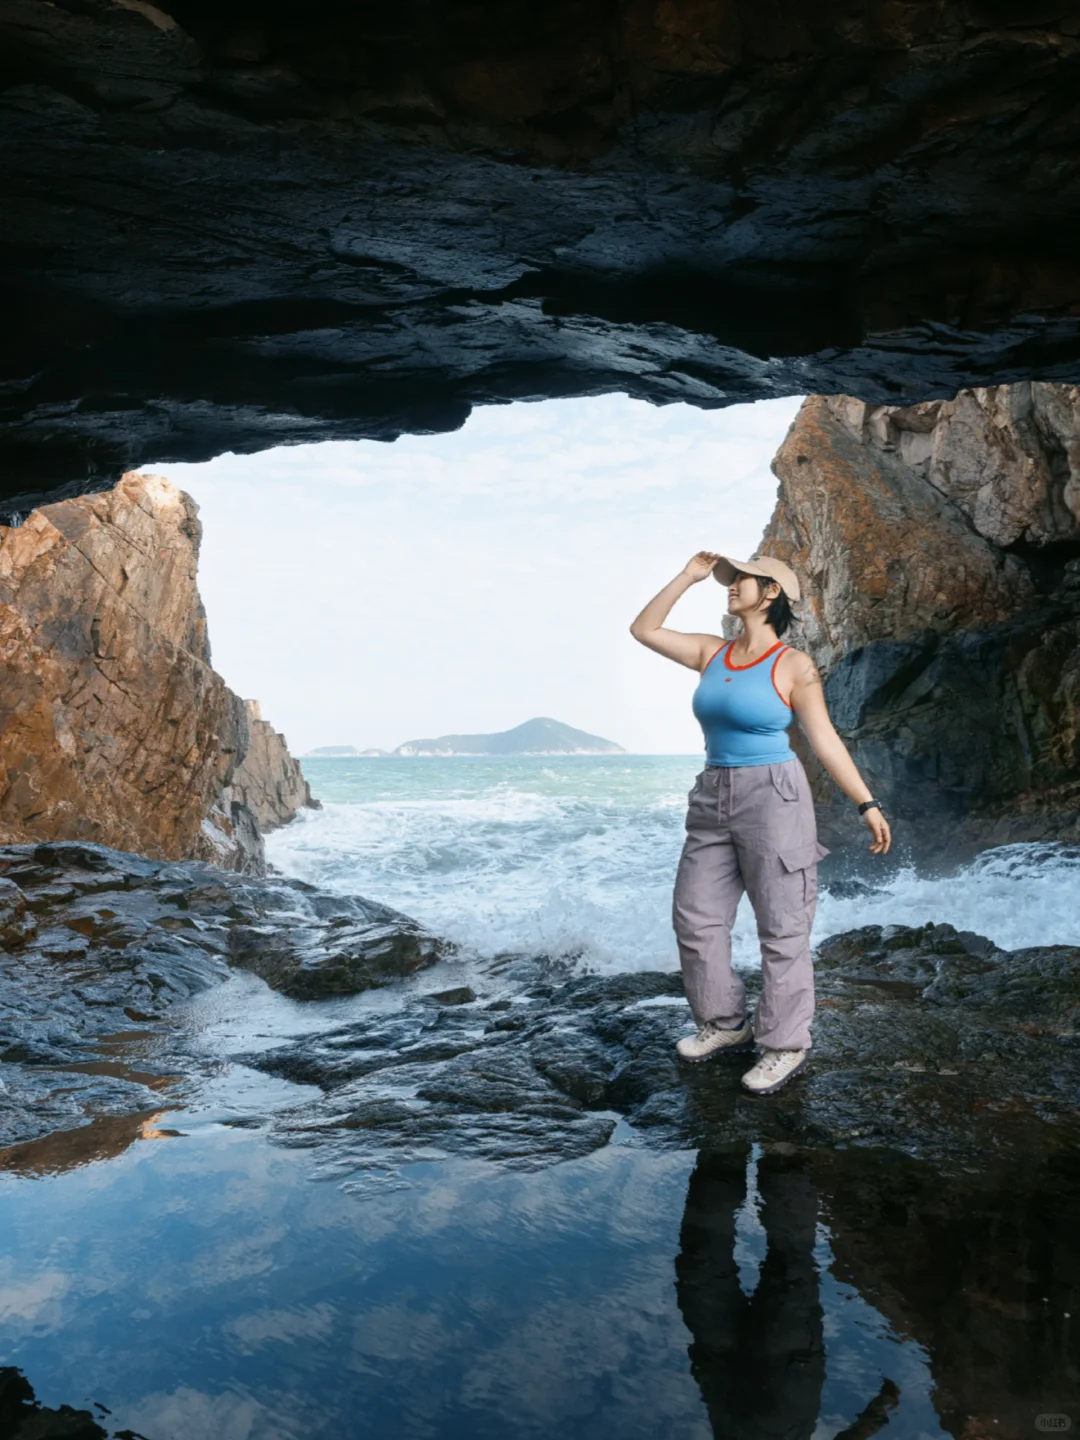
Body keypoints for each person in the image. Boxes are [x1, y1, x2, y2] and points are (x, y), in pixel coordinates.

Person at [630, 550, 891, 1095]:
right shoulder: (712, 653)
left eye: (741, 579)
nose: (731, 586)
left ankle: (785, 1044)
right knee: (696, 918)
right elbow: (644, 628)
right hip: (712, 794)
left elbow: (823, 739)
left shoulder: (793, 665)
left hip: (774, 795)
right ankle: (725, 1024)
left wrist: (866, 803)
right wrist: (687, 575)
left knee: (783, 928)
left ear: (770, 592)